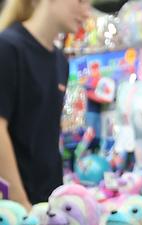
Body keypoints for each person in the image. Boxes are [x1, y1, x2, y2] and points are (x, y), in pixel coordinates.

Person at [0, 0, 89, 208]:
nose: (86, 12)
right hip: (13, 211)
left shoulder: (60, 61)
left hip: (48, 202)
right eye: (81, 1)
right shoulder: (8, 48)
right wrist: (21, 202)